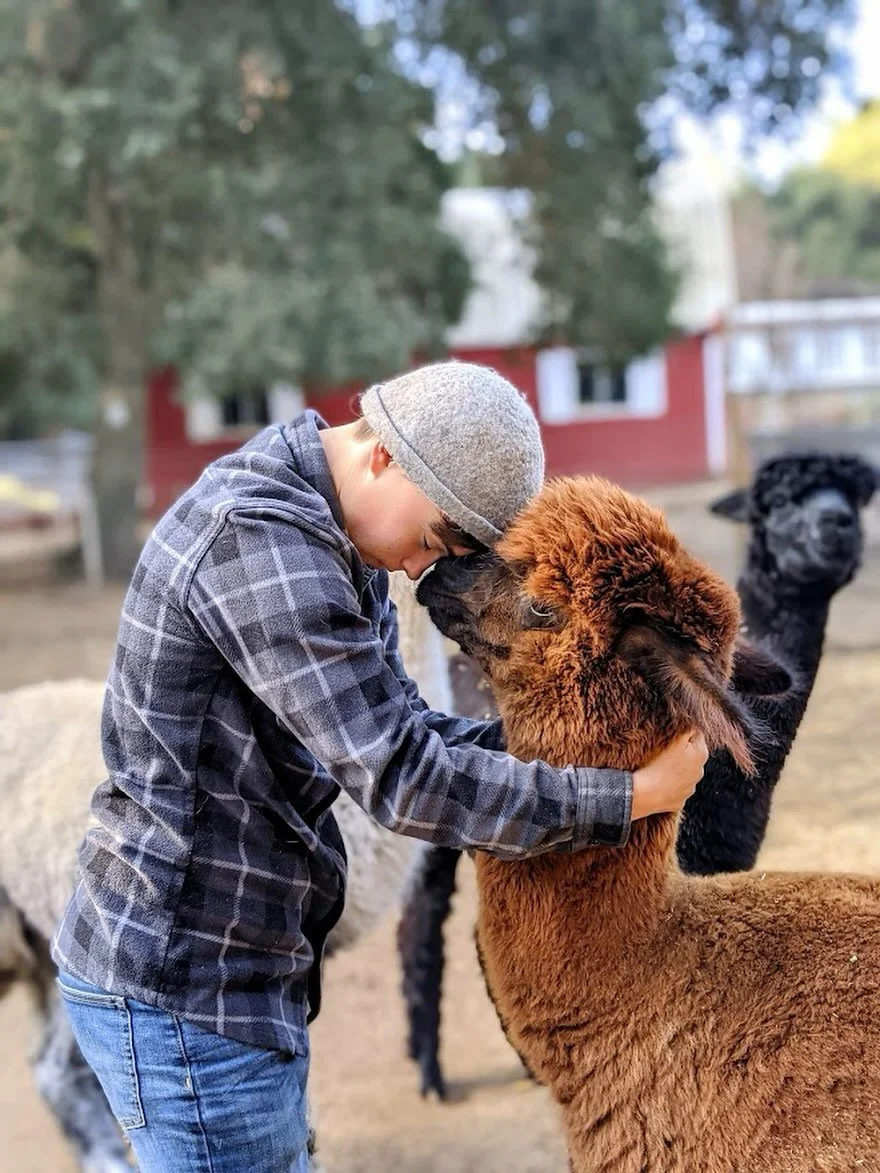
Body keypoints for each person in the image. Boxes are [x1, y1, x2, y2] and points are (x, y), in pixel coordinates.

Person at [53, 360, 708, 1172]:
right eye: (433, 538)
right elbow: (405, 776)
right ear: (385, 457)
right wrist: (625, 795)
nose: (415, 568)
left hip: (240, 966)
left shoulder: (332, 532)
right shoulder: (260, 546)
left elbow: (412, 727)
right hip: (186, 980)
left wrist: (585, 752)